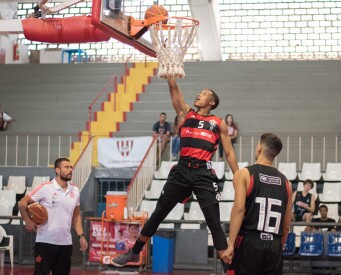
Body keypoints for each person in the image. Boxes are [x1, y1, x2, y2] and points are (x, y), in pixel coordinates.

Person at [111, 74, 239, 269]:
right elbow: (175, 93)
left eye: (204, 94)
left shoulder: (218, 122)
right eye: (199, 92)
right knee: (158, 213)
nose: (199, 94)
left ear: (211, 102)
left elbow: (229, 152)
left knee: (214, 222)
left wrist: (237, 175)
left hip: (203, 173)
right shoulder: (185, 114)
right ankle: (133, 252)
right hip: (182, 169)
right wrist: (171, 78)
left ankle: (229, 270)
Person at [222, 133, 292, 275]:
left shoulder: (244, 174)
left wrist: (230, 245)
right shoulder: (286, 183)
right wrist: (278, 246)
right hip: (274, 244)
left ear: (259, 148)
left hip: (249, 242)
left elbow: (239, 209)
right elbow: (286, 225)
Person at [18, 157, 88, 275]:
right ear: (57, 170)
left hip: (66, 244)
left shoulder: (75, 190)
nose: (70, 170)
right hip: (45, 242)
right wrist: (28, 221)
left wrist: (81, 235)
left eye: (71, 167)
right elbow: (22, 203)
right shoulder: (46, 187)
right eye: (66, 167)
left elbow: (76, 216)